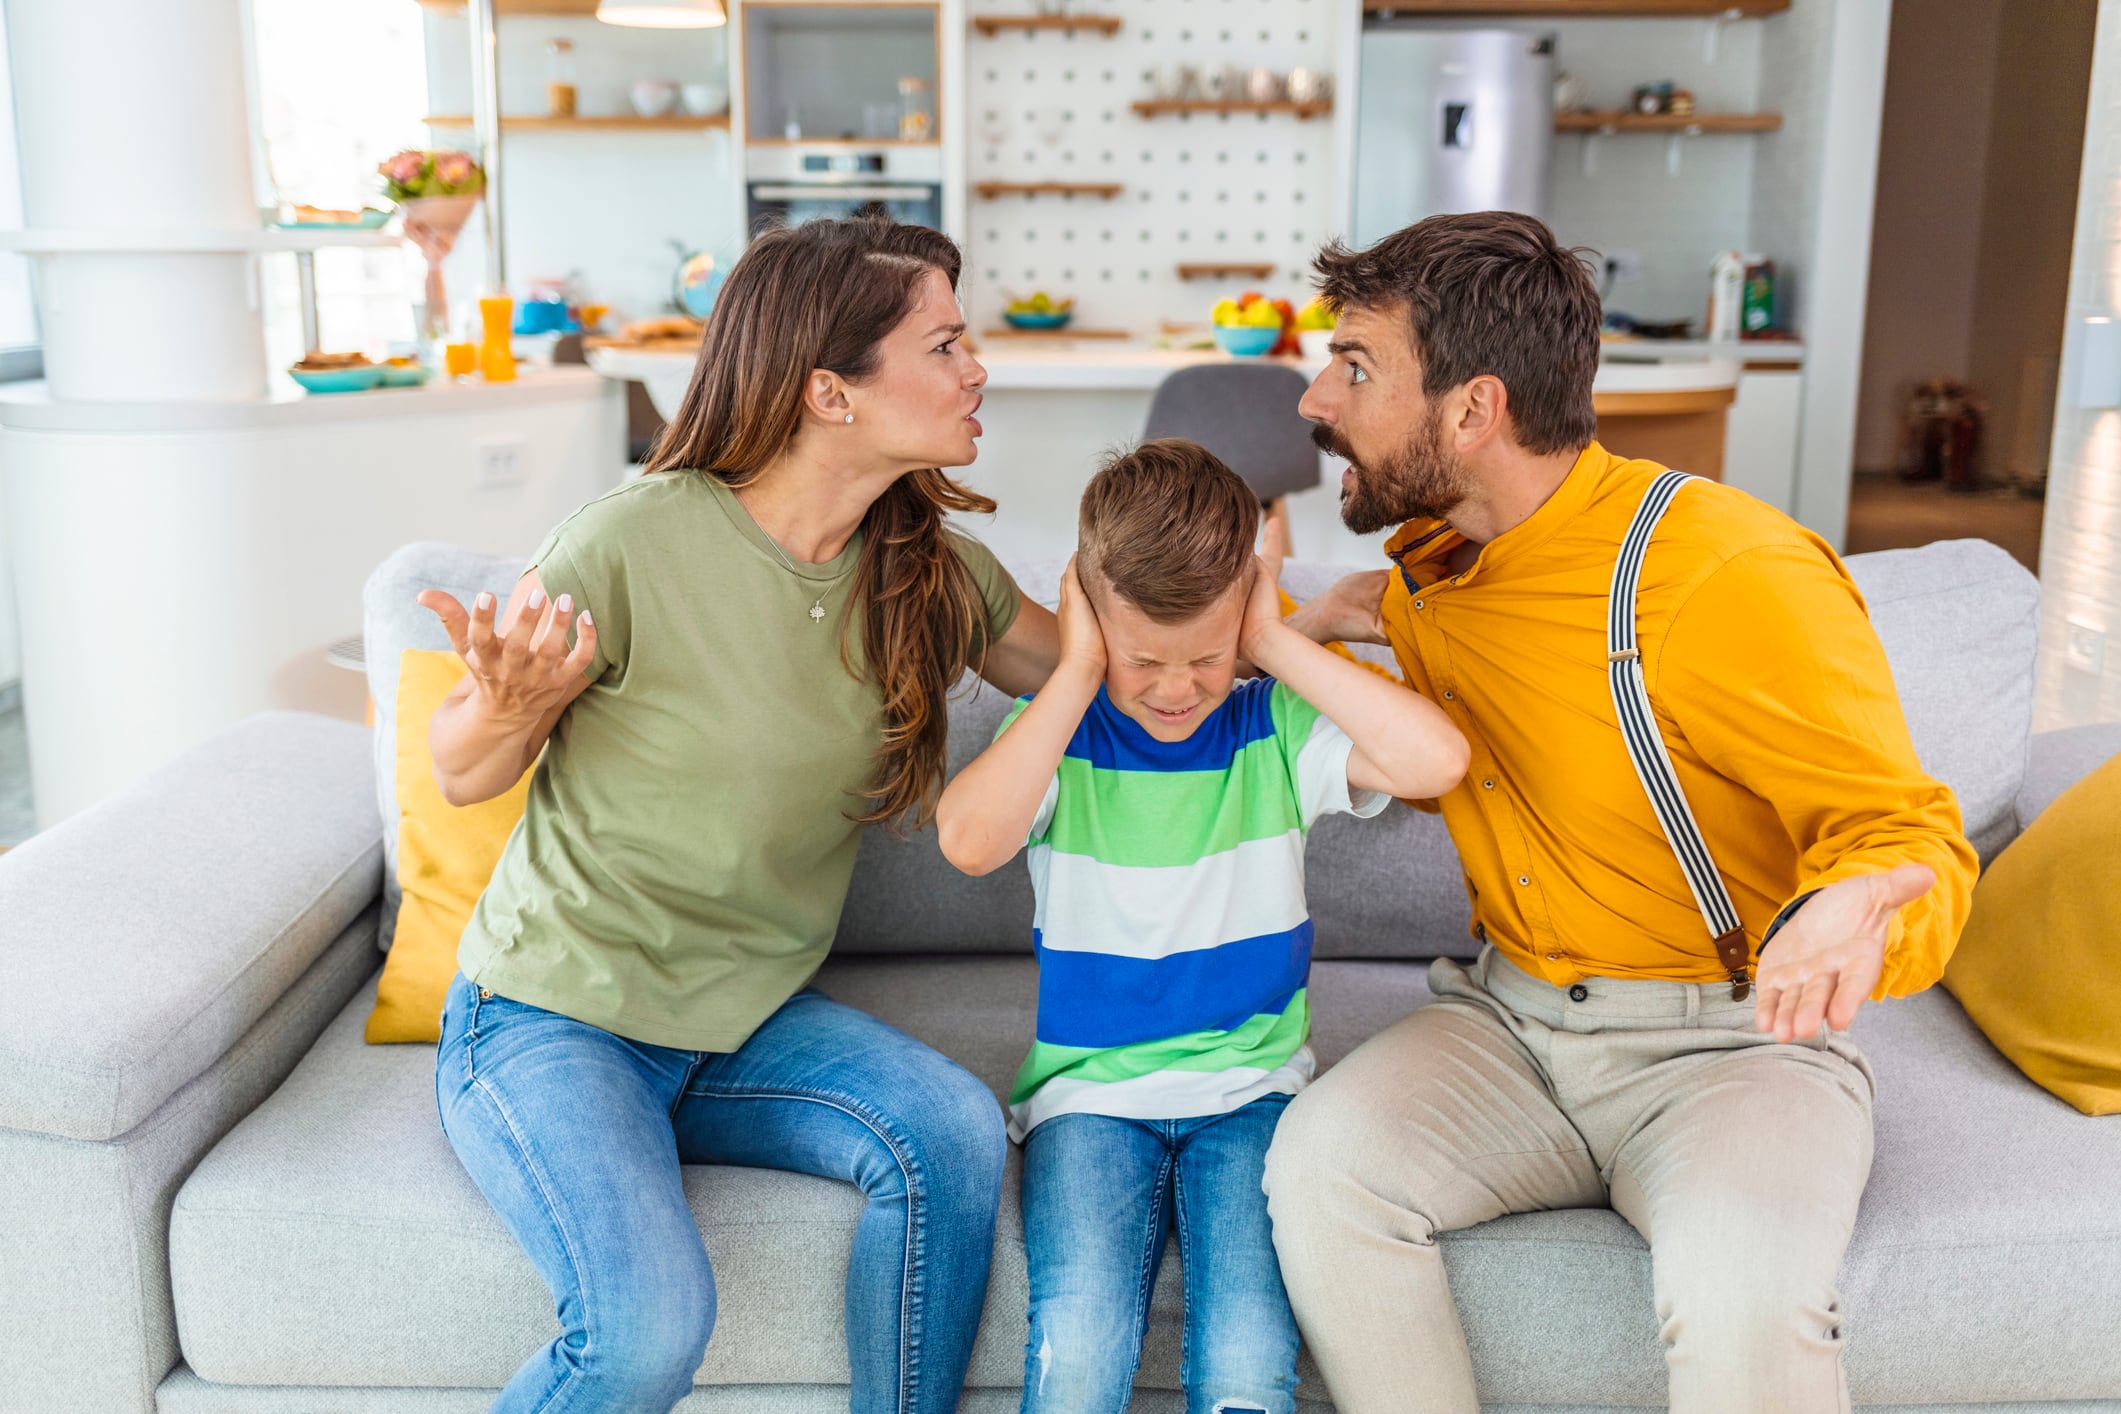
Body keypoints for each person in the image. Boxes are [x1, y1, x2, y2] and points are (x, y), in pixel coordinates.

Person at [1263, 211, 1979, 1414]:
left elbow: (1911, 842)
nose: (1314, 399)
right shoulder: (1429, 571)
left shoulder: (1723, 573)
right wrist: (1289, 626)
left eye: (1357, 368)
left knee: (1746, 1291)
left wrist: (1858, 906)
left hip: (1728, 1049)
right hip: (1510, 1024)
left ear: (1472, 411)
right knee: (1323, 1171)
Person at [415, 216, 1062, 1414]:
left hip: (744, 1020)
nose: (979, 369)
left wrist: (1286, 630)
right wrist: (507, 706)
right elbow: (461, 768)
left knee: (953, 1133)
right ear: (832, 392)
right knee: (645, 1328)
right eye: (946, 344)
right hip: (554, 1017)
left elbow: (1104, 670)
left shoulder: (929, 572)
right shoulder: (629, 540)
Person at [935, 439, 1469, 1414]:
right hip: (1089, 1102)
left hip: (1253, 1095)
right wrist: (1079, 672)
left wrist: (1272, 645)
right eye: (1144, 660)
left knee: (1247, 1363)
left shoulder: (1270, 726)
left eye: (1207, 658)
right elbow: (969, 841)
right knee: (1081, 1347)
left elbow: (1434, 761)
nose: (1178, 690)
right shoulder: (1064, 732)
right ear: (1096, 624)